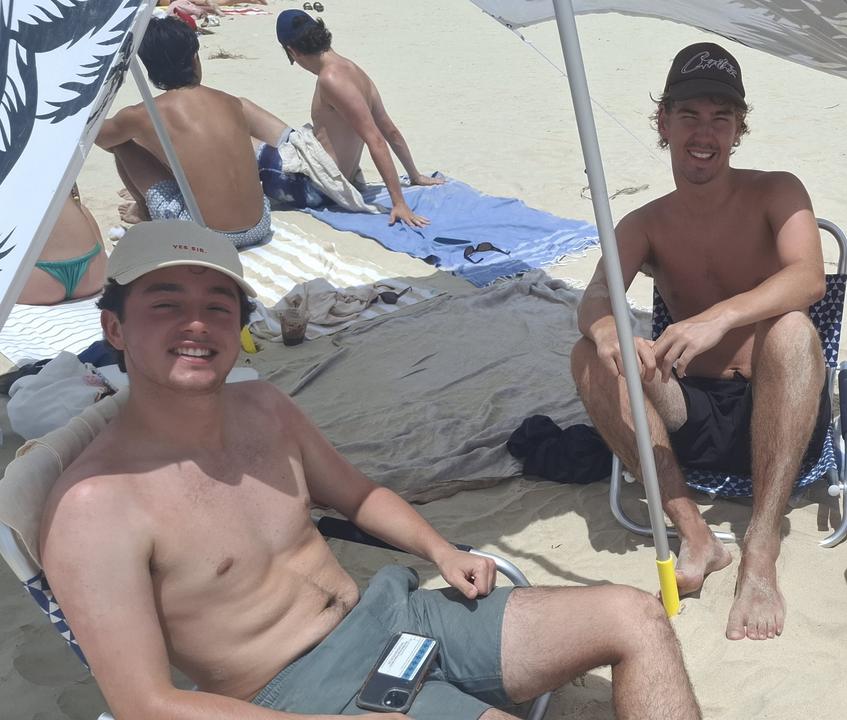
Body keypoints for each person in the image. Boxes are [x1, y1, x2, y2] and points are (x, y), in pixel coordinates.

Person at [37, 219, 702, 720]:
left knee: (635, 616)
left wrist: (440, 550)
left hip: (394, 616)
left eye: (217, 305)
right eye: (165, 303)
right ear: (115, 329)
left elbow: (356, 495)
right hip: (301, 692)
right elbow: (144, 703)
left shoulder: (262, 407)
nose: (196, 324)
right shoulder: (95, 508)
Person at [571, 43, 827, 642]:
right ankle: (696, 535)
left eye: (720, 116)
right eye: (689, 115)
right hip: (691, 416)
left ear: (740, 127)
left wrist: (720, 317)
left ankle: (761, 549)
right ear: (663, 123)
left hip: (779, 411)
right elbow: (593, 298)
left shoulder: (776, 191)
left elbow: (808, 277)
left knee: (791, 328)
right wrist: (608, 326)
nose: (704, 132)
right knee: (588, 352)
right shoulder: (646, 223)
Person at [95, 16, 275, 249]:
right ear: (194, 58)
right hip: (260, 223)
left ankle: (143, 210)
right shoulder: (231, 102)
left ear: (151, 68)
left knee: (123, 144)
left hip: (208, 234)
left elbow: (100, 137)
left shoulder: (144, 113)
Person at [274, 10, 443, 227]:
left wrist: (399, 203)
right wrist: (414, 175)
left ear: (292, 51)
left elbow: (376, 140)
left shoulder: (330, 79)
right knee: (247, 110)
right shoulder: (354, 71)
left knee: (247, 136)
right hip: (337, 178)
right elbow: (389, 130)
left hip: (317, 186)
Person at [17, 185, 106, 305]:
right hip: (94, 269)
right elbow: (76, 198)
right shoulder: (55, 166)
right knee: (80, 208)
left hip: (36, 280)